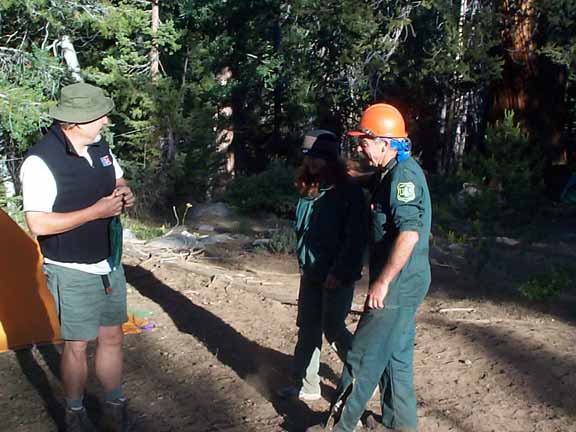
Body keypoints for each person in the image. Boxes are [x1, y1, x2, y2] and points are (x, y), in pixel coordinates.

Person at [307, 104, 432, 432]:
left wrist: (383, 282)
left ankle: (337, 426)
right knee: (395, 357)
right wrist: (345, 176)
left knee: (361, 357)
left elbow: (409, 233)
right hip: (406, 282)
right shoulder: (391, 171)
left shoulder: (403, 178)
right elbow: (370, 180)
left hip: (398, 284)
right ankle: (399, 424)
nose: (360, 148)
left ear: (385, 142)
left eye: (364, 142)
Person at [20, 83, 135, 432]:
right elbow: (38, 224)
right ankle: (75, 413)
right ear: (74, 121)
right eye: (99, 116)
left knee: (112, 337)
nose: (105, 120)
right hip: (69, 268)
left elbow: (118, 179)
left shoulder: (100, 146)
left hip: (108, 262)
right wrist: (95, 212)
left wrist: (125, 193)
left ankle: (114, 406)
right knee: (77, 346)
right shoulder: (41, 161)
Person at [279, 130, 368, 401]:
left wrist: (339, 272)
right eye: (309, 157)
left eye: (319, 157)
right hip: (311, 271)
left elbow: (355, 238)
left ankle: (364, 376)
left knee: (333, 327)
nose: (312, 162)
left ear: (331, 158)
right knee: (307, 327)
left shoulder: (348, 192)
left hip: (337, 274)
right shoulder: (309, 187)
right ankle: (305, 384)